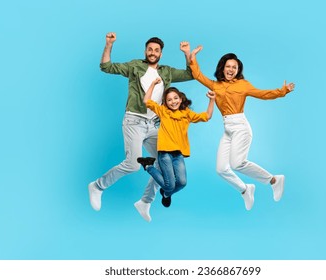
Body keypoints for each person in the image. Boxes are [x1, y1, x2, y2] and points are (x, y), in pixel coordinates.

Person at [88, 32, 194, 222]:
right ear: (146, 51)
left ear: (161, 54)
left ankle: (145, 202)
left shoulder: (167, 71)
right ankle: (97, 186)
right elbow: (106, 66)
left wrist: (187, 53)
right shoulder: (135, 66)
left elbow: (190, 74)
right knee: (133, 165)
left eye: (156, 50)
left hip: (155, 124)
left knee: (162, 164)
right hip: (134, 121)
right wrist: (109, 44)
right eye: (150, 49)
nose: (153, 52)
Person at [189, 46, 295, 210]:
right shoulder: (215, 85)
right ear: (222, 68)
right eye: (228, 66)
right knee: (221, 169)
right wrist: (192, 55)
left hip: (240, 127)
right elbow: (197, 75)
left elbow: (263, 94)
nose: (230, 69)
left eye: (234, 67)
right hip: (228, 129)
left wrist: (283, 91)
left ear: (238, 70)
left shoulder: (243, 85)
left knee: (237, 163)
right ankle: (245, 189)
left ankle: (274, 180)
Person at [137, 78, 215, 207]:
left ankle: (166, 194)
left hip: (178, 154)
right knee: (170, 185)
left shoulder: (186, 114)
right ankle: (148, 166)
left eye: (175, 98)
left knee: (182, 183)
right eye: (169, 100)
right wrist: (152, 84)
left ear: (180, 98)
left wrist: (212, 99)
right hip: (165, 153)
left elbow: (207, 116)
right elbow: (146, 101)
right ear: (165, 103)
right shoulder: (163, 112)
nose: (173, 101)